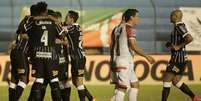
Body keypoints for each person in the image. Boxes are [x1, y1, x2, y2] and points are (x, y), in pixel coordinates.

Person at [111, 9, 155, 101]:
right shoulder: (129, 28)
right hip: (124, 61)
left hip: (120, 60)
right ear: (131, 17)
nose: (138, 19)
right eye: (137, 16)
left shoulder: (116, 29)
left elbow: (112, 46)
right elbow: (134, 46)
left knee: (135, 85)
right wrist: (147, 56)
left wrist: (112, 60)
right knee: (122, 88)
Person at [24, 2, 65, 100]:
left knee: (39, 80)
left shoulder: (34, 22)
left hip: (38, 55)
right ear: (45, 10)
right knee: (54, 80)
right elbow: (63, 35)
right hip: (51, 55)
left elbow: (25, 29)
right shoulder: (53, 22)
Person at [161, 9, 201, 101]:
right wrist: (171, 44)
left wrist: (178, 46)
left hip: (177, 59)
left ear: (175, 17)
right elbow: (181, 40)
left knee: (166, 80)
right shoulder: (178, 27)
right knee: (175, 81)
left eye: (171, 16)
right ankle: (194, 97)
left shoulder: (179, 26)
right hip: (181, 59)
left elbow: (189, 38)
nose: (170, 17)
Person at [63, 10, 97, 101]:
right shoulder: (76, 27)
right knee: (75, 82)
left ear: (71, 19)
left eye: (67, 17)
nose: (65, 19)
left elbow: (61, 30)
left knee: (79, 82)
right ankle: (91, 98)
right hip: (76, 57)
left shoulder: (72, 28)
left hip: (79, 57)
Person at [8, 4, 38, 101]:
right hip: (21, 52)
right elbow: (24, 34)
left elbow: (20, 33)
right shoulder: (33, 21)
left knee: (14, 79)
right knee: (24, 80)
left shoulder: (24, 20)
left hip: (15, 52)